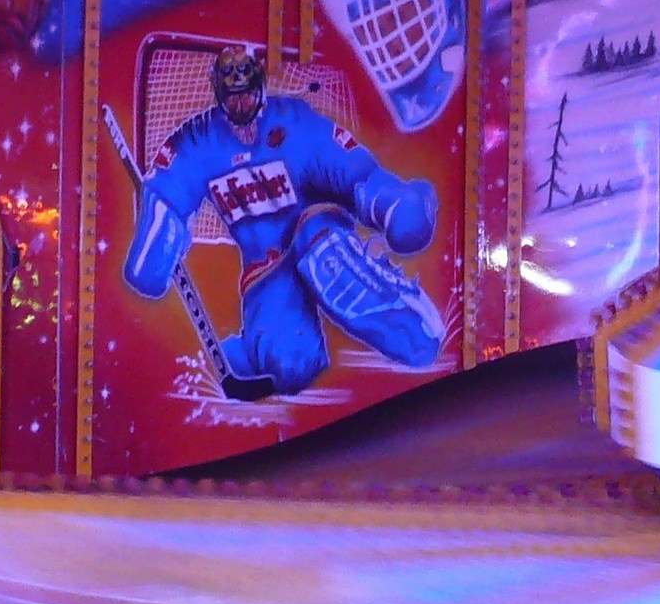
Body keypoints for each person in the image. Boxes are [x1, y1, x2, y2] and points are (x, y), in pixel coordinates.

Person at [123, 45, 444, 398]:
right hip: (267, 267)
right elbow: (170, 187)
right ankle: (253, 349)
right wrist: (161, 235)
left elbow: (351, 170)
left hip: (315, 233)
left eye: (248, 95)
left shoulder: (293, 121)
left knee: (330, 265)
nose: (242, 107)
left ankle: (413, 325)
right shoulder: (200, 140)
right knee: (289, 368)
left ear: (260, 86)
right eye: (233, 99)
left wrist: (391, 204)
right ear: (219, 95)